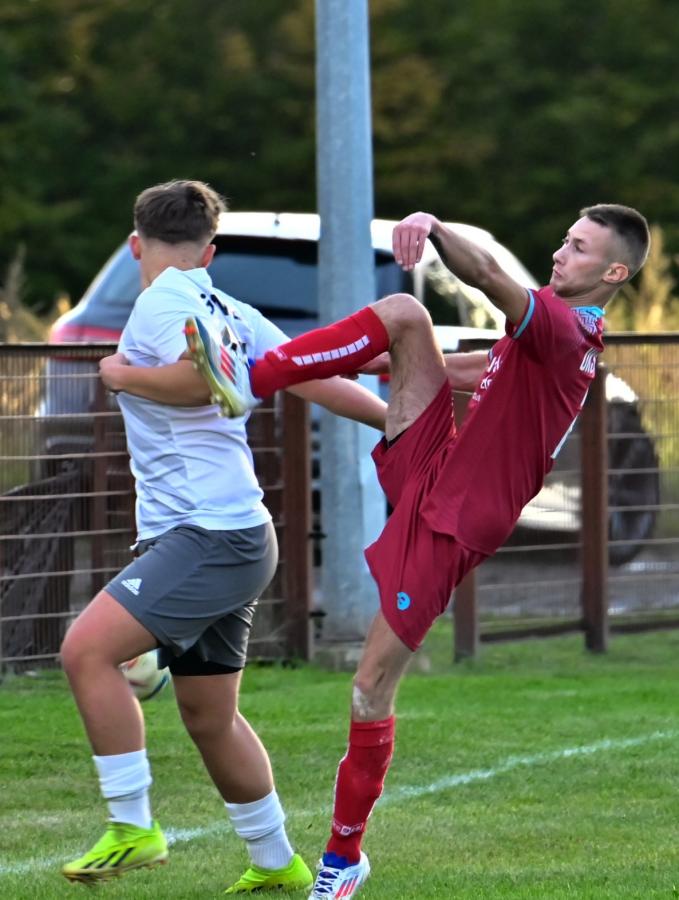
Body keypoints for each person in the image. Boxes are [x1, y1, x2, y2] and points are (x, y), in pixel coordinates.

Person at [183, 203, 651, 899]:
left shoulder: (562, 329)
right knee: (404, 314)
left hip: (456, 522)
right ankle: (252, 369)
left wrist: (432, 226)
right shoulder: (546, 332)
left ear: (612, 273)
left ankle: (344, 858)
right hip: (437, 467)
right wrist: (370, 354)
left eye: (579, 248)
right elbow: (468, 368)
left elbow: (486, 272)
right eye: (565, 240)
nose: (560, 253)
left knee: (369, 689)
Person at [59, 180, 387, 892]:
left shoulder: (159, 302)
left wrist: (122, 374)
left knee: (85, 652)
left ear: (134, 244)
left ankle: (132, 826)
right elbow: (310, 375)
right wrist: (395, 421)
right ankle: (276, 863)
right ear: (210, 251)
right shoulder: (231, 308)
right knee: (210, 716)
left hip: (208, 536)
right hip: (235, 532)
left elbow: (195, 381)